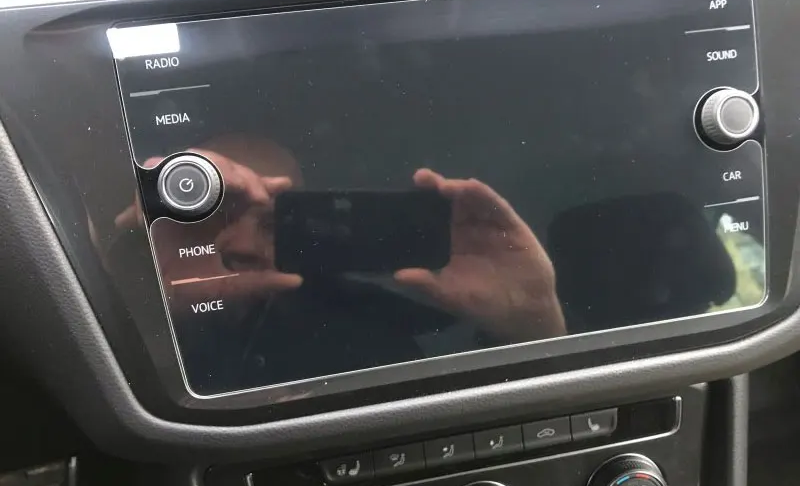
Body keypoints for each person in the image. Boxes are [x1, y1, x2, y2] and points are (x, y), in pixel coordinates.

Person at [112, 135, 565, 394]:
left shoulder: (368, 332)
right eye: (216, 217)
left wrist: (534, 326)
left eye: (274, 222)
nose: (244, 244)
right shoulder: (140, 304)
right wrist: (142, 291)